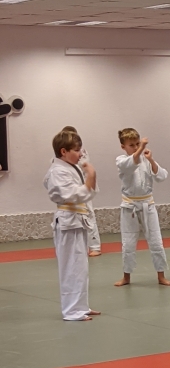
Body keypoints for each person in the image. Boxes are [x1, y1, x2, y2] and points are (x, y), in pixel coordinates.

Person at [43, 128, 100, 321]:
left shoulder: (69, 167)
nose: (80, 154)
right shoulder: (57, 171)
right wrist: (90, 179)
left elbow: (88, 193)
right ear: (63, 151)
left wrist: (90, 179)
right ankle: (71, 311)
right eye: (76, 150)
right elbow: (72, 194)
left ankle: (80, 307)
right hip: (68, 221)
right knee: (70, 267)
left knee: (80, 267)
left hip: (77, 220)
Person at [115, 128, 170, 287]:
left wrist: (151, 160)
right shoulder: (121, 160)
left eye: (137, 144)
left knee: (156, 241)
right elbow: (130, 165)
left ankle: (161, 275)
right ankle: (126, 277)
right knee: (128, 243)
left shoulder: (146, 159)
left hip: (148, 205)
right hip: (129, 207)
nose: (135, 147)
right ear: (123, 147)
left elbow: (162, 176)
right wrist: (141, 148)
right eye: (131, 145)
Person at [59, 126, 102, 257]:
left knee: (89, 214)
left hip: (84, 185)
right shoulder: (63, 155)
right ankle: (79, 246)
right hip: (72, 189)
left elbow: (84, 166)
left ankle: (95, 246)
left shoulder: (82, 152)